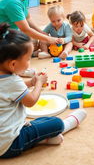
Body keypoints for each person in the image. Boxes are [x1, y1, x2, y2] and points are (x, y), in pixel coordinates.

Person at [0, 23, 87, 158]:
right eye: (28, 59)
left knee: (41, 121)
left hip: (5, 134)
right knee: (55, 123)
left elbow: (9, 90)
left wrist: (30, 82)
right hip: (10, 144)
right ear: (13, 64)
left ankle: (43, 139)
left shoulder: (6, 77)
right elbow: (30, 102)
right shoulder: (13, 82)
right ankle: (65, 125)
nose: (30, 62)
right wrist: (39, 83)